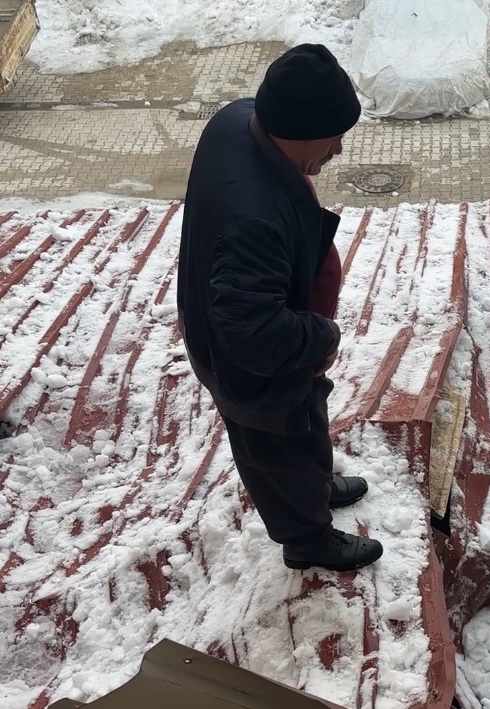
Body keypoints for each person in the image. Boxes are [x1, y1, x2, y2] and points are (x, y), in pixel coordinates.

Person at [176, 44, 383, 572]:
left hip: (248, 320)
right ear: (296, 130)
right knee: (277, 447)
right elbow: (255, 336)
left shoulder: (237, 120)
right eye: (334, 135)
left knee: (306, 419)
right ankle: (308, 539)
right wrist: (323, 336)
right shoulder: (253, 217)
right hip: (246, 365)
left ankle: (315, 485)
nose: (338, 149)